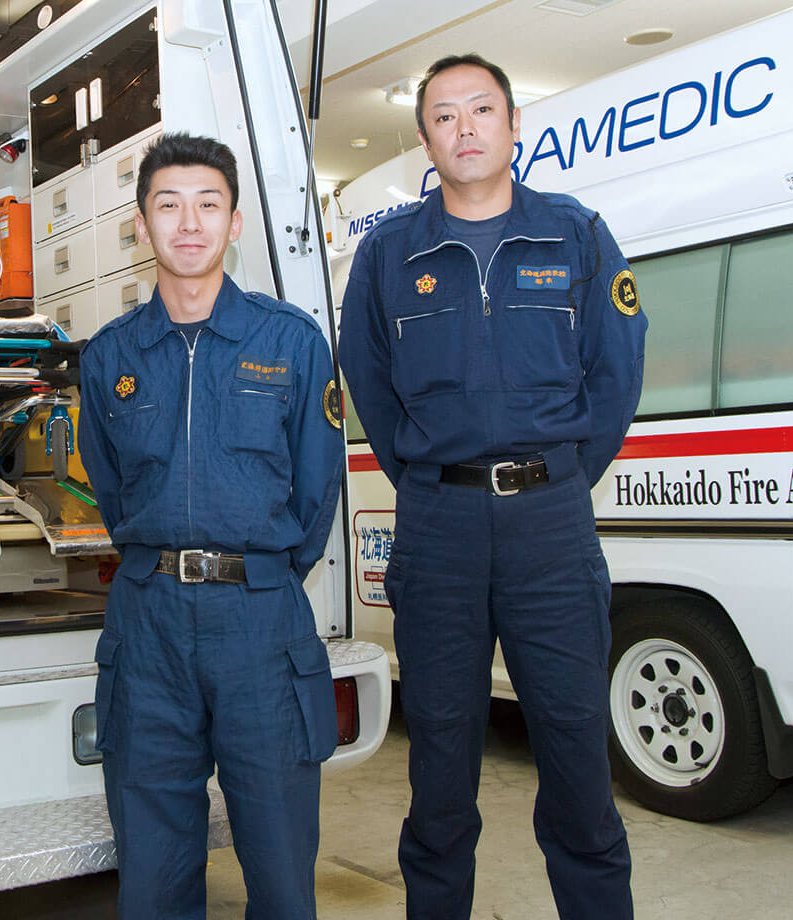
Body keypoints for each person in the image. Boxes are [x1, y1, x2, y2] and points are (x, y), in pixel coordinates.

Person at [338, 53, 647, 920]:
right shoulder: (389, 255)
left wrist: (554, 480)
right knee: (438, 763)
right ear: (425, 139)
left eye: (482, 110)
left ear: (516, 128)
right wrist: (436, 481)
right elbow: (370, 383)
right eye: (444, 115)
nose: (465, 127)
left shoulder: (577, 236)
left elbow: (616, 375)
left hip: (551, 528)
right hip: (439, 529)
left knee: (579, 755)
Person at [78, 132, 345, 919]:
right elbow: (111, 487)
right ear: (141, 225)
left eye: (207, 204)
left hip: (261, 624)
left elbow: (315, 493)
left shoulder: (291, 343)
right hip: (149, 623)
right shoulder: (110, 357)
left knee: (281, 869)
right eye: (168, 205)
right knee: (153, 875)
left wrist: (254, 575)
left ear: (234, 224)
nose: (188, 223)